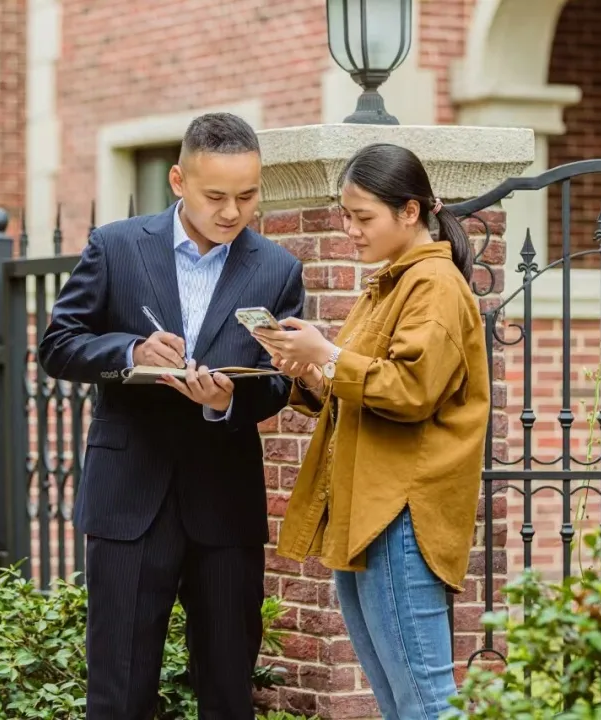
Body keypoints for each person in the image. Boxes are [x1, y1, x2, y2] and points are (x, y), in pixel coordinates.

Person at [38, 113, 304, 720]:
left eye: (248, 195)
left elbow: (278, 383)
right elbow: (58, 345)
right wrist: (127, 350)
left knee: (230, 692)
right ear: (178, 180)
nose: (233, 212)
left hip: (225, 505)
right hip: (129, 499)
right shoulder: (115, 245)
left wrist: (228, 401)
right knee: (119, 691)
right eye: (217, 196)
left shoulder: (278, 269)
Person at [253, 142, 490, 719]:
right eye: (346, 215)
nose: (350, 230)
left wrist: (329, 356)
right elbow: (363, 384)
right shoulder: (390, 282)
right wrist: (310, 368)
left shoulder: (432, 285)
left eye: (363, 217)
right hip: (368, 508)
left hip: (402, 512)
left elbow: (411, 390)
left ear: (410, 212)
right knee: (398, 699)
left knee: (425, 702)